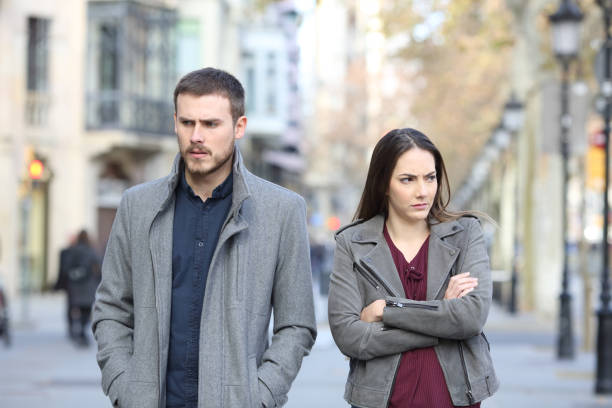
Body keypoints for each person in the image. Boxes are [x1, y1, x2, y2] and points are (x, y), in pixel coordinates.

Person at [92, 67, 316, 408]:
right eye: (187, 123)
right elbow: (111, 308)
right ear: (175, 123)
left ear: (239, 127)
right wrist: (125, 387)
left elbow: (297, 324)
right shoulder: (137, 206)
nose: (197, 136)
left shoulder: (282, 211)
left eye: (211, 124)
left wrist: (261, 395)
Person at [328, 128, 498, 408]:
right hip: (381, 400)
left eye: (430, 178)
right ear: (383, 183)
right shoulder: (352, 243)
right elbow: (350, 337)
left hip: (454, 400)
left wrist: (387, 310)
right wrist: (441, 316)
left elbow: (470, 318)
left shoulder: (466, 233)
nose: (423, 191)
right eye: (407, 180)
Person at [60, 230, 101, 346]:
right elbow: (98, 266)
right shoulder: (91, 251)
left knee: (72, 308)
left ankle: (74, 330)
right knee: (86, 310)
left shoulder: (73, 250)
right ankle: (82, 330)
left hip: (75, 285)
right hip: (88, 285)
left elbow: (66, 267)